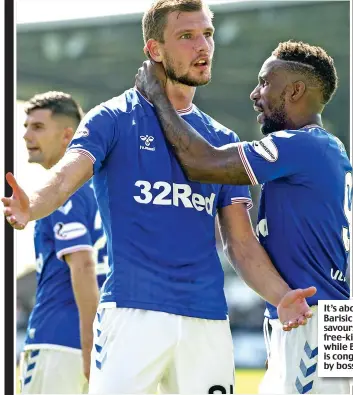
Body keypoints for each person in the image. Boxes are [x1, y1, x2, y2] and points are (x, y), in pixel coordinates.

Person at [5, 2, 315, 394]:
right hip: (131, 314)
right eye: (186, 36)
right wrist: (31, 204)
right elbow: (68, 175)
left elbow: (240, 241)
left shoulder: (222, 141)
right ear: (154, 50)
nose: (202, 46)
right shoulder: (112, 118)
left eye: (207, 34)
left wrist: (280, 295)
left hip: (206, 320)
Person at [135, 40, 352, 394]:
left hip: (316, 318)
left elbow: (203, 162)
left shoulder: (302, 145)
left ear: (296, 89)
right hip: (315, 316)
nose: (255, 94)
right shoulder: (327, 148)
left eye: (266, 82)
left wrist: (157, 97)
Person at [18, 91, 108, 394]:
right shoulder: (104, 191)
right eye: (27, 126)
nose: (26, 135)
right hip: (108, 343)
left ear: (67, 135)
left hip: (59, 342)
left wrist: (89, 348)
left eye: (38, 127)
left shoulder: (61, 194)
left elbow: (82, 265)